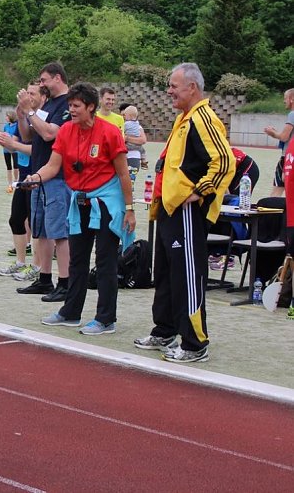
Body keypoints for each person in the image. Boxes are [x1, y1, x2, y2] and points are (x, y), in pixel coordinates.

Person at [134, 63, 235, 363]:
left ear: (192, 87)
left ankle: (194, 342)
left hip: (186, 210)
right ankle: (165, 329)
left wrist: (201, 191)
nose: (169, 90)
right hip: (169, 207)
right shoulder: (185, 118)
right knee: (164, 273)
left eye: (174, 85)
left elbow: (225, 162)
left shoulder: (203, 118)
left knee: (188, 274)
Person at [22, 83, 136, 334]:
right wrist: (35, 178)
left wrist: (129, 209)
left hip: (107, 202)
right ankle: (71, 312)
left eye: (76, 106)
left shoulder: (109, 132)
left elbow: (123, 173)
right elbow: (53, 166)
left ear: (91, 107)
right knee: (77, 260)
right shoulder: (66, 132)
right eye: (70, 105)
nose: (71, 110)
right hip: (81, 201)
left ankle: (106, 319)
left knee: (105, 261)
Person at [14, 62, 72, 302]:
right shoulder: (48, 104)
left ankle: (65, 283)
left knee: (59, 232)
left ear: (57, 78)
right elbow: (30, 135)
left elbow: (50, 133)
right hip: (39, 174)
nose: (41, 85)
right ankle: (45, 279)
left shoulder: (68, 104)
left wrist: (29, 111)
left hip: (57, 176)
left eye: (44, 80)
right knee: (42, 231)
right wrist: (22, 114)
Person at [0, 81, 43, 280]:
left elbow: (37, 150)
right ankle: (21, 262)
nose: (27, 97)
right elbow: (19, 142)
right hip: (23, 177)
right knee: (16, 219)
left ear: (42, 96)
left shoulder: (42, 119)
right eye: (26, 92)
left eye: (32, 93)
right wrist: (3, 139)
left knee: (36, 224)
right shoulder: (24, 118)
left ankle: (37, 267)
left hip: (37, 177)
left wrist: (13, 144)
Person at [264, 88, 294, 197]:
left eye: (285, 98)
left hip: (288, 157)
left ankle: (270, 212)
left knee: (276, 191)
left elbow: (284, 137)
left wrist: (271, 133)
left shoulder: (292, 114)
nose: (283, 101)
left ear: (292, 99)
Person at [122, 105, 147, 185]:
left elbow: (143, 140)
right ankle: (144, 161)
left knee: (129, 181)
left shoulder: (126, 125)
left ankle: (129, 196)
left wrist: (127, 138)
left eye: (125, 115)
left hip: (132, 155)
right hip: (129, 155)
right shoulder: (137, 125)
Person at [2, 110, 20, 193]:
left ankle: (16, 182)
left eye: (7, 116)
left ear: (11, 117)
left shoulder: (18, 126)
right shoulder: (6, 126)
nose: (6, 117)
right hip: (6, 149)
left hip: (15, 149)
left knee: (16, 166)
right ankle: (9, 184)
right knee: (8, 167)